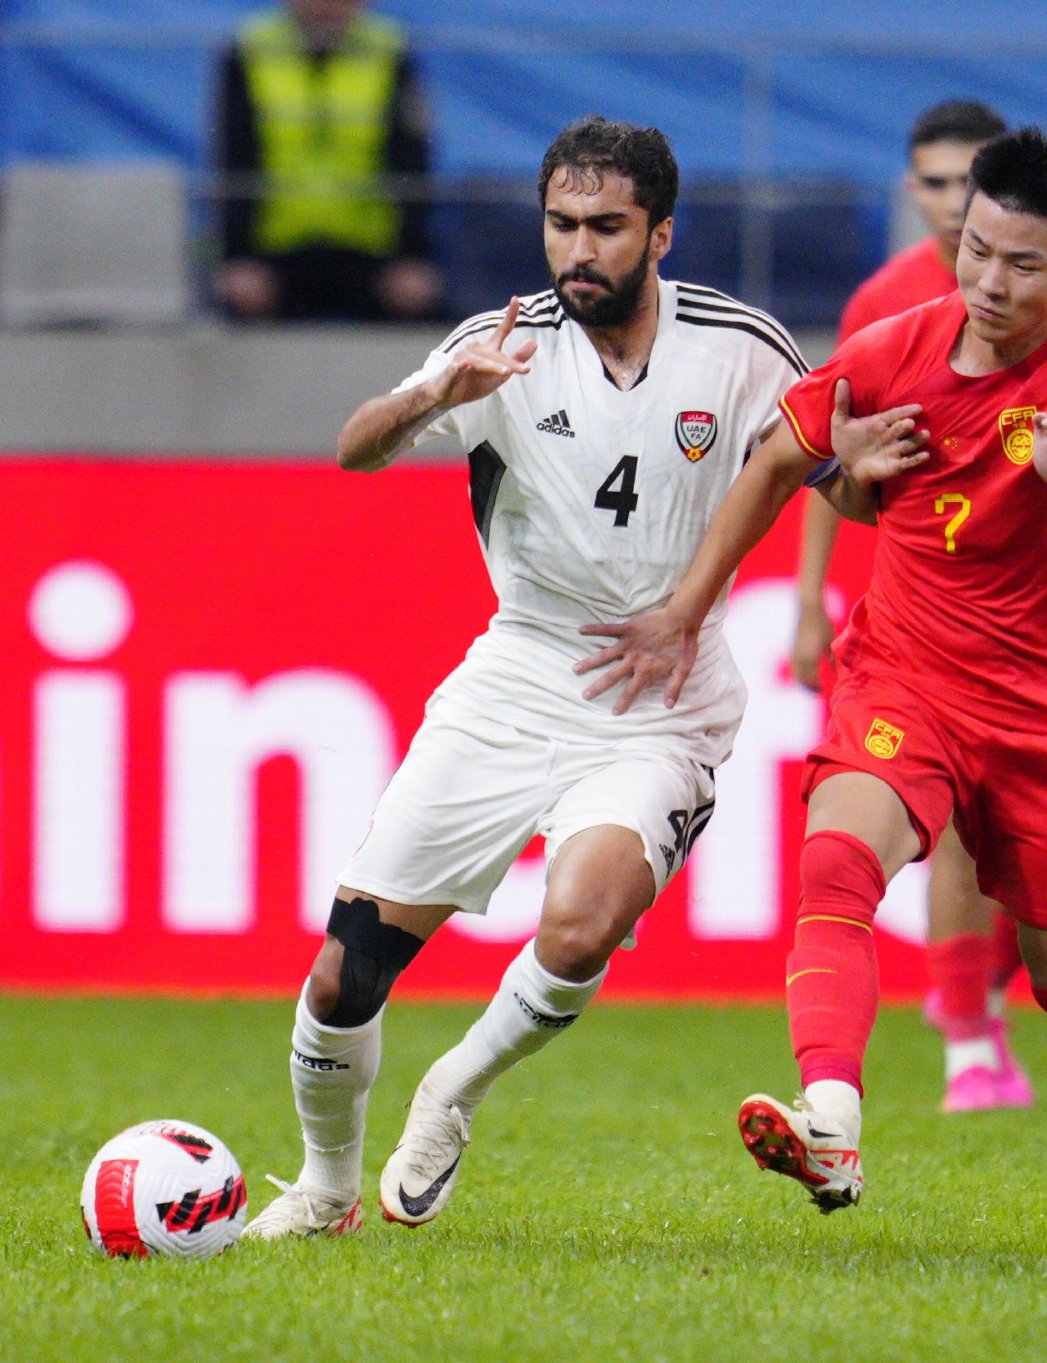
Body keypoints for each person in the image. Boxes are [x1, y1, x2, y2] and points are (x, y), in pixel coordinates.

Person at [582, 128, 1047, 1247]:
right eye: (975, 249)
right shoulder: (895, 344)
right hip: (904, 676)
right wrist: (716, 585)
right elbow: (781, 458)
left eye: (1021, 265)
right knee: (836, 857)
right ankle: (830, 1113)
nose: (986, 280)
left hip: (1042, 714)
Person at [244, 116, 806, 1238]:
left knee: (580, 925)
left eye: (606, 227)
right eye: (561, 225)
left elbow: (819, 461)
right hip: (517, 675)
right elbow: (357, 446)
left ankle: (452, 1092)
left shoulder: (741, 347)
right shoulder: (498, 342)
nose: (577, 251)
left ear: (660, 233)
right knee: (341, 980)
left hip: (660, 703)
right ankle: (324, 1188)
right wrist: (438, 393)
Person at [791, 99, 1047, 1115]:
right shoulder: (885, 309)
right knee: (920, 836)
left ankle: (988, 1011)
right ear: (916, 195)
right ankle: (962, 1040)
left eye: (958, 186)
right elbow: (834, 459)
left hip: (1035, 645)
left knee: (1046, 921)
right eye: (931, 188)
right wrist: (809, 598)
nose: (946, 210)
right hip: (918, 612)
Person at [213, 0, 442, 321]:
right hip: (274, 252)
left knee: (432, 318)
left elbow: (411, 161)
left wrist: (413, 257)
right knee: (227, 310)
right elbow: (234, 159)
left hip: (371, 253)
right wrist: (237, 257)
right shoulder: (252, 47)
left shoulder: (390, 49)